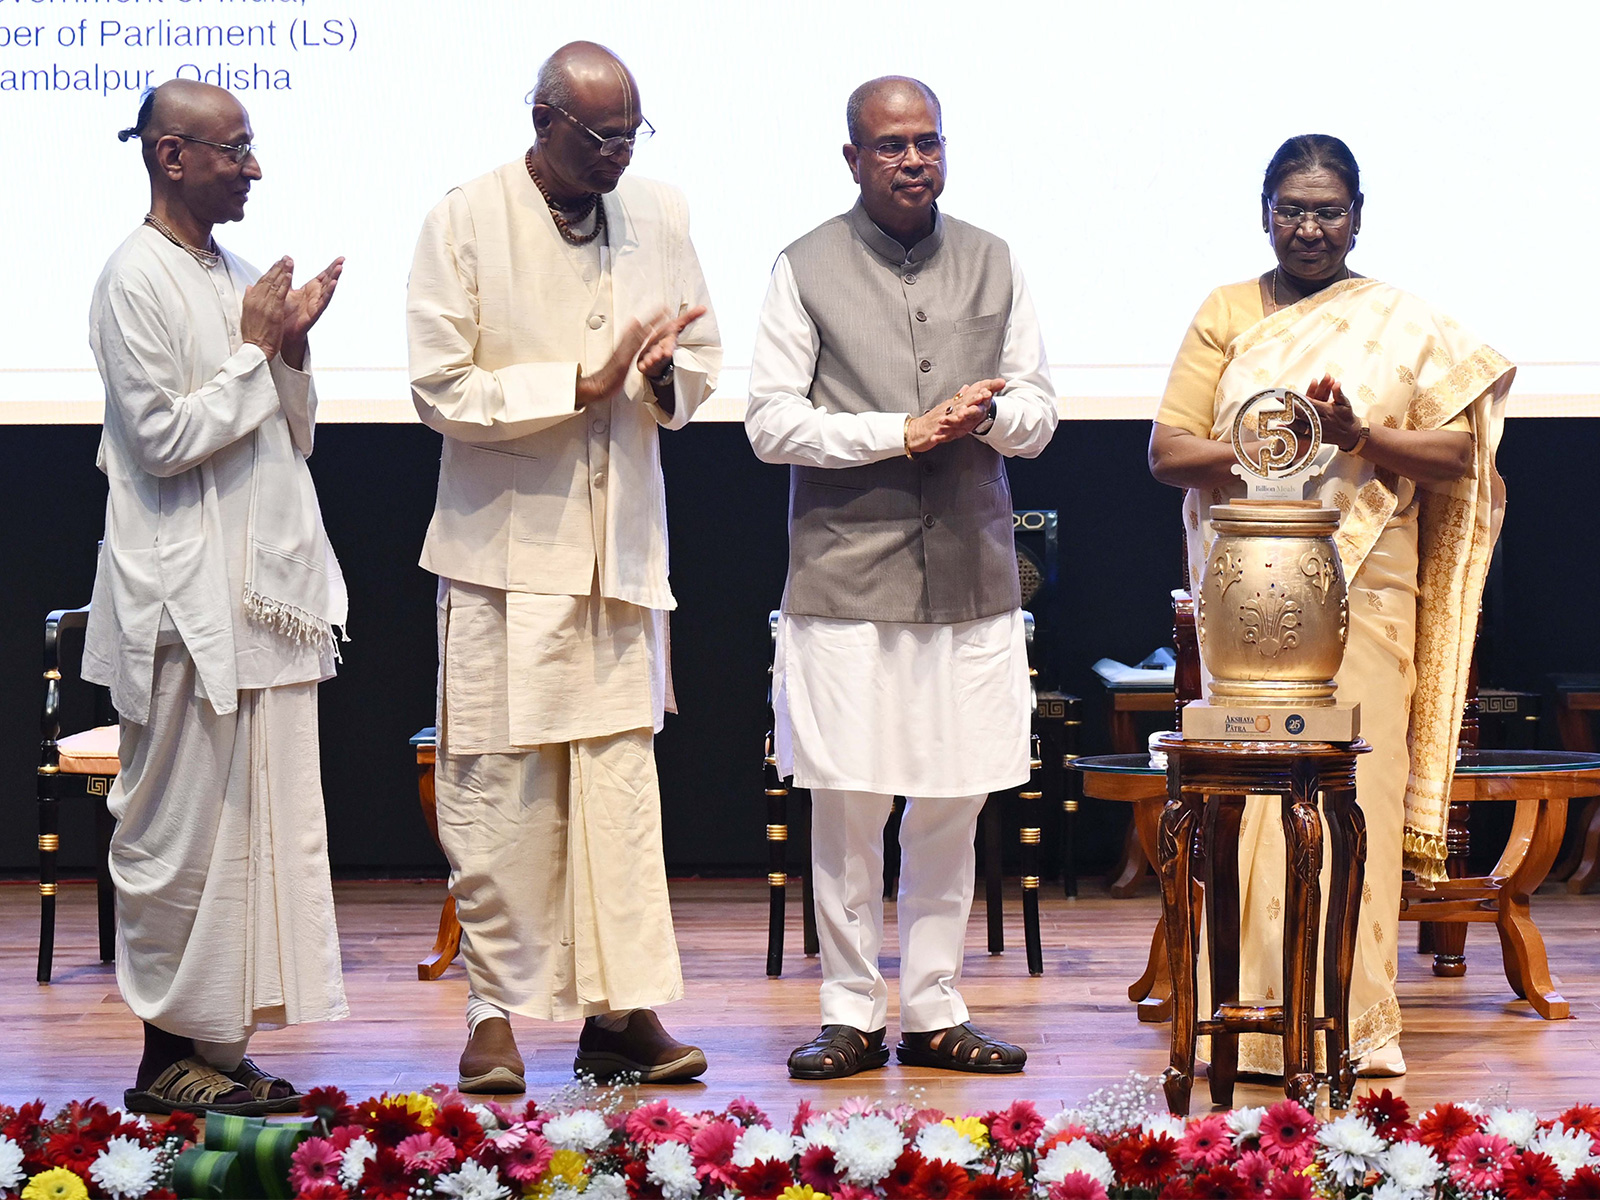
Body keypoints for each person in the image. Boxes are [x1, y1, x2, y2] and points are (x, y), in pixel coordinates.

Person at [1148, 134, 1513, 1078]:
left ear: (1358, 215)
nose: (1309, 228)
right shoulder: (1227, 313)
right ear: (1264, 212)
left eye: (1328, 210)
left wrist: (1363, 435)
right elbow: (1166, 453)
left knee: (1359, 790)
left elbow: (1459, 456)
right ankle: (1254, 1017)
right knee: (1254, 810)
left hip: (1367, 592)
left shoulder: (1405, 323)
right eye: (1291, 210)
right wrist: (1277, 441)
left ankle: (1351, 1022)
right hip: (1253, 599)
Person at [407, 41, 720, 1092]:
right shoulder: (464, 218)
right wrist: (577, 385)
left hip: (621, 553)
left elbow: (703, 368)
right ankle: (494, 1013)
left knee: (618, 797)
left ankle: (620, 1013)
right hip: (505, 555)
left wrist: (668, 378)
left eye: (633, 135)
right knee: (497, 791)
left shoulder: (662, 215)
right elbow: (440, 388)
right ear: (542, 119)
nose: (619, 157)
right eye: (599, 138)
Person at [746, 76, 1057, 1080]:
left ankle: (931, 1008)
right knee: (847, 801)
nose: (913, 159)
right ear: (852, 159)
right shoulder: (805, 266)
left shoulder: (994, 259)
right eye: (890, 145)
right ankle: (848, 1009)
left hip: (970, 572)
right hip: (846, 576)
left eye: (926, 141)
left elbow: (1041, 409)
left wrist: (991, 419)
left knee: (952, 798)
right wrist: (899, 433)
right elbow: (769, 422)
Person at [86, 79, 349, 1115]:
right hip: (182, 610)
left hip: (259, 607)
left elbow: (292, 433)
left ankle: (218, 1048)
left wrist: (288, 349)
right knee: (182, 835)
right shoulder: (131, 279)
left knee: (251, 833)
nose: (253, 168)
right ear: (169, 155)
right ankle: (163, 1061)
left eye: (251, 147)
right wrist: (253, 347)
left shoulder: (238, 272)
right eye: (234, 150)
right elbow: (159, 441)